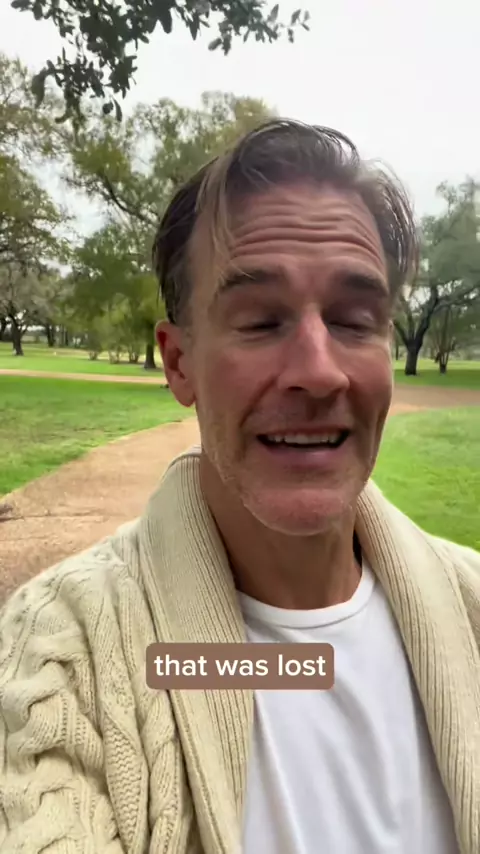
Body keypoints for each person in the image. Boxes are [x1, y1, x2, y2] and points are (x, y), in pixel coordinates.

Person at [1, 120, 479, 854]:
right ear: (179, 363)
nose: (318, 372)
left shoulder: (470, 606)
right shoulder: (66, 653)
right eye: (260, 322)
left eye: (355, 320)